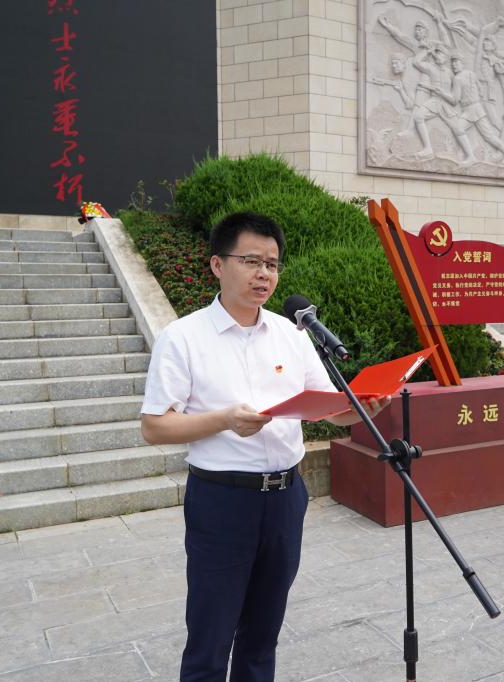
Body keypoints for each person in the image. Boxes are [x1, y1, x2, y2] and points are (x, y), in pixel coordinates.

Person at [140, 212, 388, 681]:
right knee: (211, 636)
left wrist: (362, 408)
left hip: (286, 498)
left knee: (262, 635)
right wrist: (224, 420)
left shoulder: (291, 335)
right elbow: (154, 427)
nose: (264, 275)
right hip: (223, 501)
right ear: (217, 264)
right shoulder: (183, 338)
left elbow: (328, 408)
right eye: (251, 261)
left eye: (272, 265)